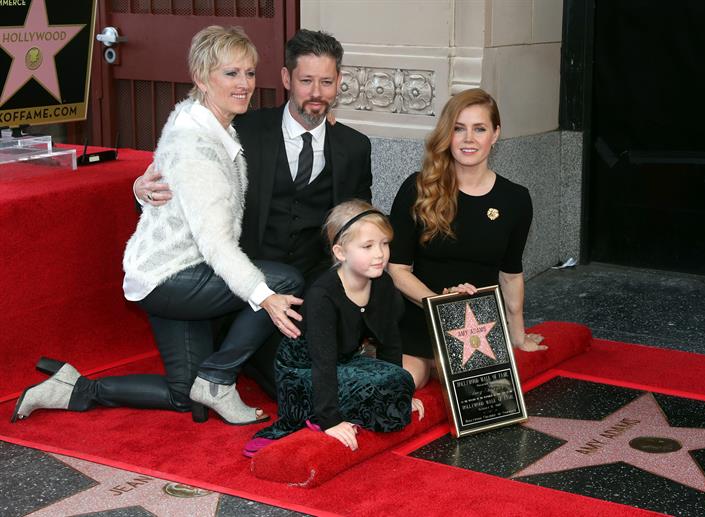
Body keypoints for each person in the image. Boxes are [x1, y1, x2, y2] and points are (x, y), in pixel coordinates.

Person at [12, 26, 303, 426]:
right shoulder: (198, 144)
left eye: (250, 73)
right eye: (231, 73)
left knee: (186, 397)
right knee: (283, 280)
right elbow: (217, 244)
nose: (245, 84)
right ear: (201, 78)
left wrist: (139, 186)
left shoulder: (196, 119)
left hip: (164, 270)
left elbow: (166, 181)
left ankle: (73, 390)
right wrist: (264, 297)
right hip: (176, 279)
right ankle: (219, 378)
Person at [133, 29, 372, 397]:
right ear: (286, 79)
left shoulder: (354, 147)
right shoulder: (241, 127)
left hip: (308, 294)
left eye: (326, 82)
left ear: (339, 82)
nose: (315, 93)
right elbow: (179, 173)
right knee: (293, 389)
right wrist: (140, 190)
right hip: (243, 290)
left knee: (310, 382)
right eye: (306, 80)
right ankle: (233, 366)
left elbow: (359, 226)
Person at [388, 88, 547, 390]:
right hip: (421, 318)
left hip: (478, 330)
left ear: (496, 134)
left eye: (480, 129)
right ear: (447, 134)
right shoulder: (417, 188)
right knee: (405, 382)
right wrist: (441, 305)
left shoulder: (516, 199)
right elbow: (397, 270)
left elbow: (511, 274)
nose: (468, 139)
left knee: (488, 400)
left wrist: (517, 336)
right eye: (459, 129)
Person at [244, 200, 423, 455]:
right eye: (368, 246)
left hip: (344, 361)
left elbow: (390, 341)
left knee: (400, 378)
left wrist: (399, 392)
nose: (380, 254)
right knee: (376, 387)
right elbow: (323, 362)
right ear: (340, 253)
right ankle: (314, 416)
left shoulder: (382, 282)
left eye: (384, 244)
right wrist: (331, 421)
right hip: (302, 371)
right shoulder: (322, 295)